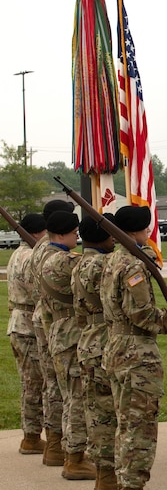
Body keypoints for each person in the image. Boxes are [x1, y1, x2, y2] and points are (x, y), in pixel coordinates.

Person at [100, 205, 167, 490]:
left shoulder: (112, 260)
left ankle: (126, 483)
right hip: (136, 352)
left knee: (125, 422)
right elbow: (142, 315)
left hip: (115, 346)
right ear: (141, 229)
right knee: (139, 424)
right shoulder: (132, 266)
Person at [40, 209, 96, 480]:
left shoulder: (43, 255)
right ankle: (75, 457)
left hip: (57, 330)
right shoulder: (64, 261)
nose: (77, 236)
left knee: (66, 393)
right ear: (61, 234)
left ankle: (66, 449)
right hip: (71, 332)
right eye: (74, 232)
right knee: (77, 396)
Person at [71, 214, 119, 490]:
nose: (114, 238)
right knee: (109, 413)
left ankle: (104, 473)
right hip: (104, 338)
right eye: (111, 233)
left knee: (96, 411)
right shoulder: (104, 265)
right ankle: (108, 475)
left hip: (87, 338)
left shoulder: (79, 263)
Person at [30, 199, 75, 467]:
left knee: (53, 384)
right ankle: (60, 444)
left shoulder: (39, 249)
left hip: (45, 318)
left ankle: (56, 443)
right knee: (63, 387)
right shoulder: (55, 255)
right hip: (55, 321)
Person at [6, 213, 47, 454]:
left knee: (29, 382)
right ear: (35, 233)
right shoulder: (31, 256)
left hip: (18, 322)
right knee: (34, 384)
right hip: (28, 324)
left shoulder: (15, 254)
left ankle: (31, 434)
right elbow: (37, 293)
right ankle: (31, 437)